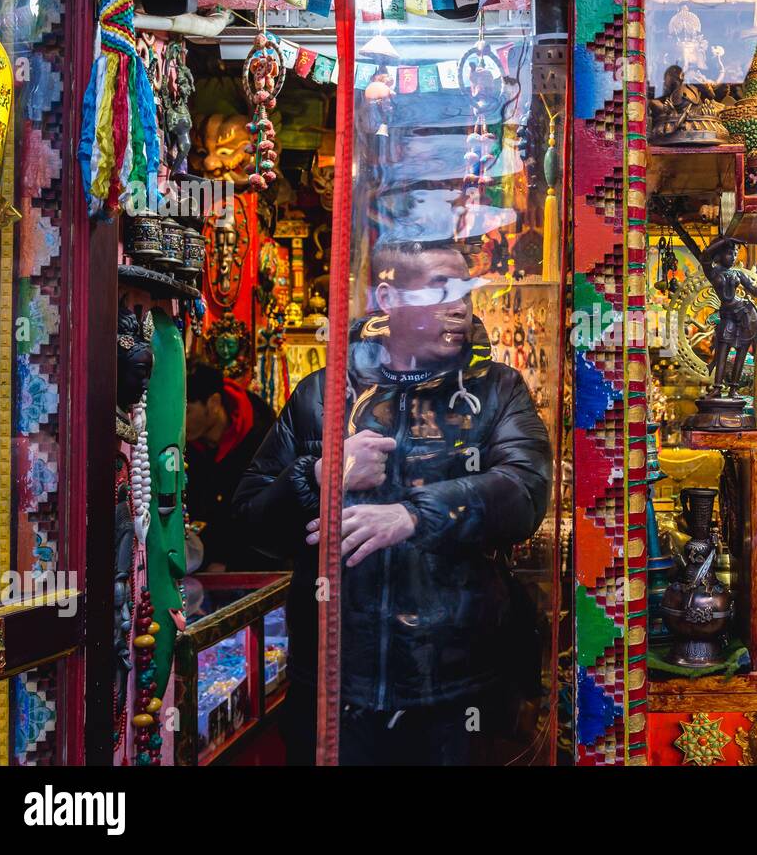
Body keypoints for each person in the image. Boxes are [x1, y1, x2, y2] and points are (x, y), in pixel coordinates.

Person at [233, 235, 551, 765]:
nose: (458, 304)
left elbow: (525, 490)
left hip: (456, 685)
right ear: (388, 300)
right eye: (439, 288)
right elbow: (249, 527)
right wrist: (321, 474)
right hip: (338, 688)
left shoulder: (497, 390)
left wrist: (413, 515)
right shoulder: (323, 394)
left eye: (464, 289)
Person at [184, 364, 277, 571]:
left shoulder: (263, 436)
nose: (181, 421)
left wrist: (226, 559)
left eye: (188, 411)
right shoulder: (185, 444)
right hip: (196, 566)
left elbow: (269, 514)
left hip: (253, 568)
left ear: (214, 403)